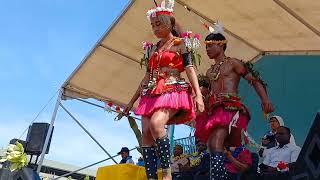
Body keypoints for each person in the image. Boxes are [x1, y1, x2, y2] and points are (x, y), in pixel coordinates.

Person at [123, 1, 204, 179]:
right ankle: (152, 177)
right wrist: (130, 102)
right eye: (153, 25)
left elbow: (190, 68)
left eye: (158, 24)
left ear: (169, 24)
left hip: (172, 90)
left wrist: (198, 95)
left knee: (157, 124)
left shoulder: (181, 43)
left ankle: (166, 174)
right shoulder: (152, 49)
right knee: (146, 133)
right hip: (150, 93)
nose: (155, 28)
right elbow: (146, 77)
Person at [195, 22, 274, 180]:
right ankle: (220, 176)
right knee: (214, 146)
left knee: (216, 143)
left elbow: (255, 80)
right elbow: (203, 93)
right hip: (213, 111)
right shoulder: (210, 71)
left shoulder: (234, 63)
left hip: (229, 109)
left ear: (221, 45)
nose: (207, 49)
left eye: (210, 46)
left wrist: (265, 100)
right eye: (206, 47)